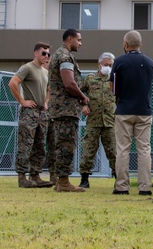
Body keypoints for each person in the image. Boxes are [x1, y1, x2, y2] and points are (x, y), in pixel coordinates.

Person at [111, 30, 153, 196]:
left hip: (123, 111)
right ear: (141, 44)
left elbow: (113, 88)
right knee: (144, 149)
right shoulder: (150, 62)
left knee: (123, 149)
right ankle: (145, 187)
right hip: (144, 111)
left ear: (125, 45)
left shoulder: (119, 61)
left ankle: (122, 186)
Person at [47, 29, 92, 192]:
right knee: (66, 145)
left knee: (61, 144)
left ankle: (60, 181)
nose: (80, 43)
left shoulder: (59, 55)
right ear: (70, 39)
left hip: (61, 108)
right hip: (65, 109)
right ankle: (64, 182)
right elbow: (69, 83)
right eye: (78, 40)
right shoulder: (65, 56)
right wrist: (83, 97)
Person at [7, 42, 54, 188]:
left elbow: (48, 89)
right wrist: (22, 101)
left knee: (39, 145)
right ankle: (22, 177)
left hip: (41, 112)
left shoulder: (45, 72)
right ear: (36, 53)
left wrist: (46, 102)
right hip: (30, 112)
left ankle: (35, 175)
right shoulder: (27, 68)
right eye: (43, 53)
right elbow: (13, 83)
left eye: (48, 54)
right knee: (26, 144)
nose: (46, 56)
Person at [78, 52, 117, 189]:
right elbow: (79, 94)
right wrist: (83, 105)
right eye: (106, 64)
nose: (108, 67)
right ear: (99, 64)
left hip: (110, 121)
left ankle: (118, 179)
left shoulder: (115, 79)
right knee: (88, 150)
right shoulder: (90, 79)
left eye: (110, 65)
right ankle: (84, 179)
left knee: (113, 151)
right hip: (93, 121)